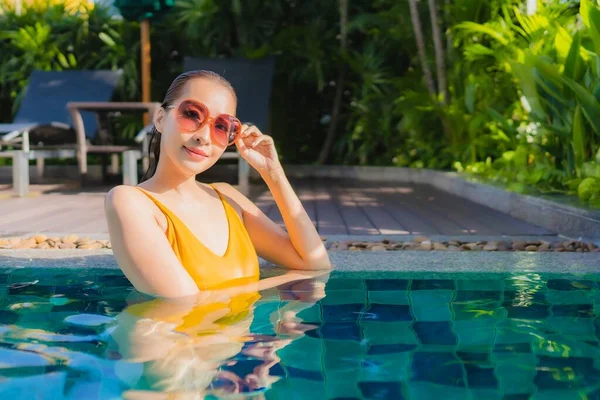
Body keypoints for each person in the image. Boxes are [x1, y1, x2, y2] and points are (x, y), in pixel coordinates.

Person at [105, 70, 331, 299]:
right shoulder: (130, 202)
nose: (204, 136)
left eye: (222, 127)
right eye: (192, 115)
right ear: (161, 119)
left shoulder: (228, 198)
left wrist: (273, 173)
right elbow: (184, 304)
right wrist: (285, 281)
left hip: (239, 336)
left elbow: (314, 263)